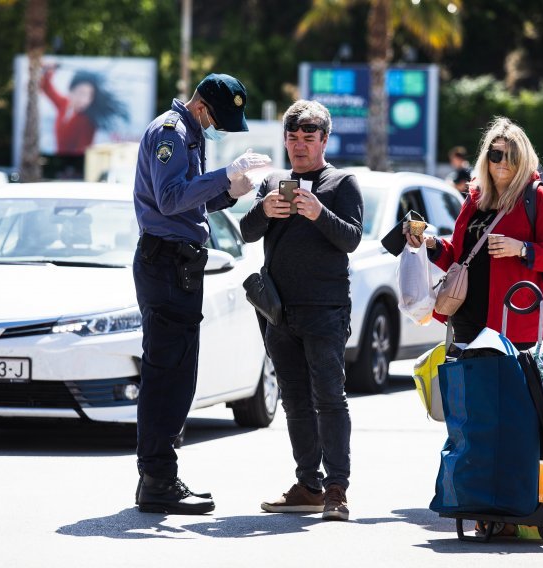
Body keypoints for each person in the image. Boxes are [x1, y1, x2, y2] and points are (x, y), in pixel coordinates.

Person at [133, 73, 271, 515]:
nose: (217, 127)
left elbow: (191, 200)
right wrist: (222, 176)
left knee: (179, 374)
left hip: (179, 263)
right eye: (217, 117)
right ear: (201, 106)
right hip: (166, 261)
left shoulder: (190, 133)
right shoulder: (170, 134)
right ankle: (157, 481)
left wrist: (230, 192)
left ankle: (160, 478)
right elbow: (171, 199)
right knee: (167, 375)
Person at [240, 100, 363, 521]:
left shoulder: (341, 182)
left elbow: (351, 240)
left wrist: (317, 212)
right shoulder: (275, 181)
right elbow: (246, 232)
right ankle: (308, 485)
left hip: (325, 310)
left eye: (308, 138)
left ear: (324, 140)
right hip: (278, 310)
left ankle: (336, 489)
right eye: (292, 138)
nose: (298, 146)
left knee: (330, 399)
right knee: (294, 401)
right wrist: (264, 210)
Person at [407, 116, 543, 351]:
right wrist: (432, 244)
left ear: (523, 159)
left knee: (506, 387)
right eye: (496, 155)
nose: (502, 162)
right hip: (465, 316)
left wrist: (522, 249)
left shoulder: (538, 198)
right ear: (486, 158)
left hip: (512, 317)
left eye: (512, 156)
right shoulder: (475, 198)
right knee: (469, 387)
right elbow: (460, 258)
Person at [41, 65, 129, 155]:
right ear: (71, 91)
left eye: (89, 95)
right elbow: (46, 87)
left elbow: (82, 152)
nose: (85, 100)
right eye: (81, 93)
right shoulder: (64, 104)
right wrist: (49, 70)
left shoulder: (87, 122)